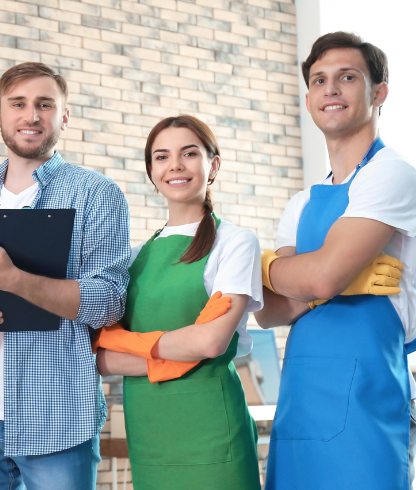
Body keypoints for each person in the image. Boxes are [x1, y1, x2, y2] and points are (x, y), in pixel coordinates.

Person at [0, 62, 131, 490]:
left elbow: (110, 300)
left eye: (45, 104)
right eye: (17, 104)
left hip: (57, 419)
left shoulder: (97, 194)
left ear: (64, 116)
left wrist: (14, 279)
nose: (31, 115)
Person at [255, 32, 416, 490]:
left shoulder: (392, 176)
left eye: (347, 77)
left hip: (370, 399)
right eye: (319, 80)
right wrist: (298, 279)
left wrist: (265, 267)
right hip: (300, 403)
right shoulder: (301, 203)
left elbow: (317, 279)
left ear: (379, 93)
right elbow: (270, 310)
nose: (330, 89)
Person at [93, 115, 262, 490]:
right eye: (162, 156)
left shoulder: (235, 243)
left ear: (213, 164)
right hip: (150, 432)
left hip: (213, 429)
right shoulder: (134, 257)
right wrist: (180, 345)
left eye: (189, 153)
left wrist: (124, 342)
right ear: (151, 171)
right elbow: (101, 361)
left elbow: (211, 342)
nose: (175, 166)